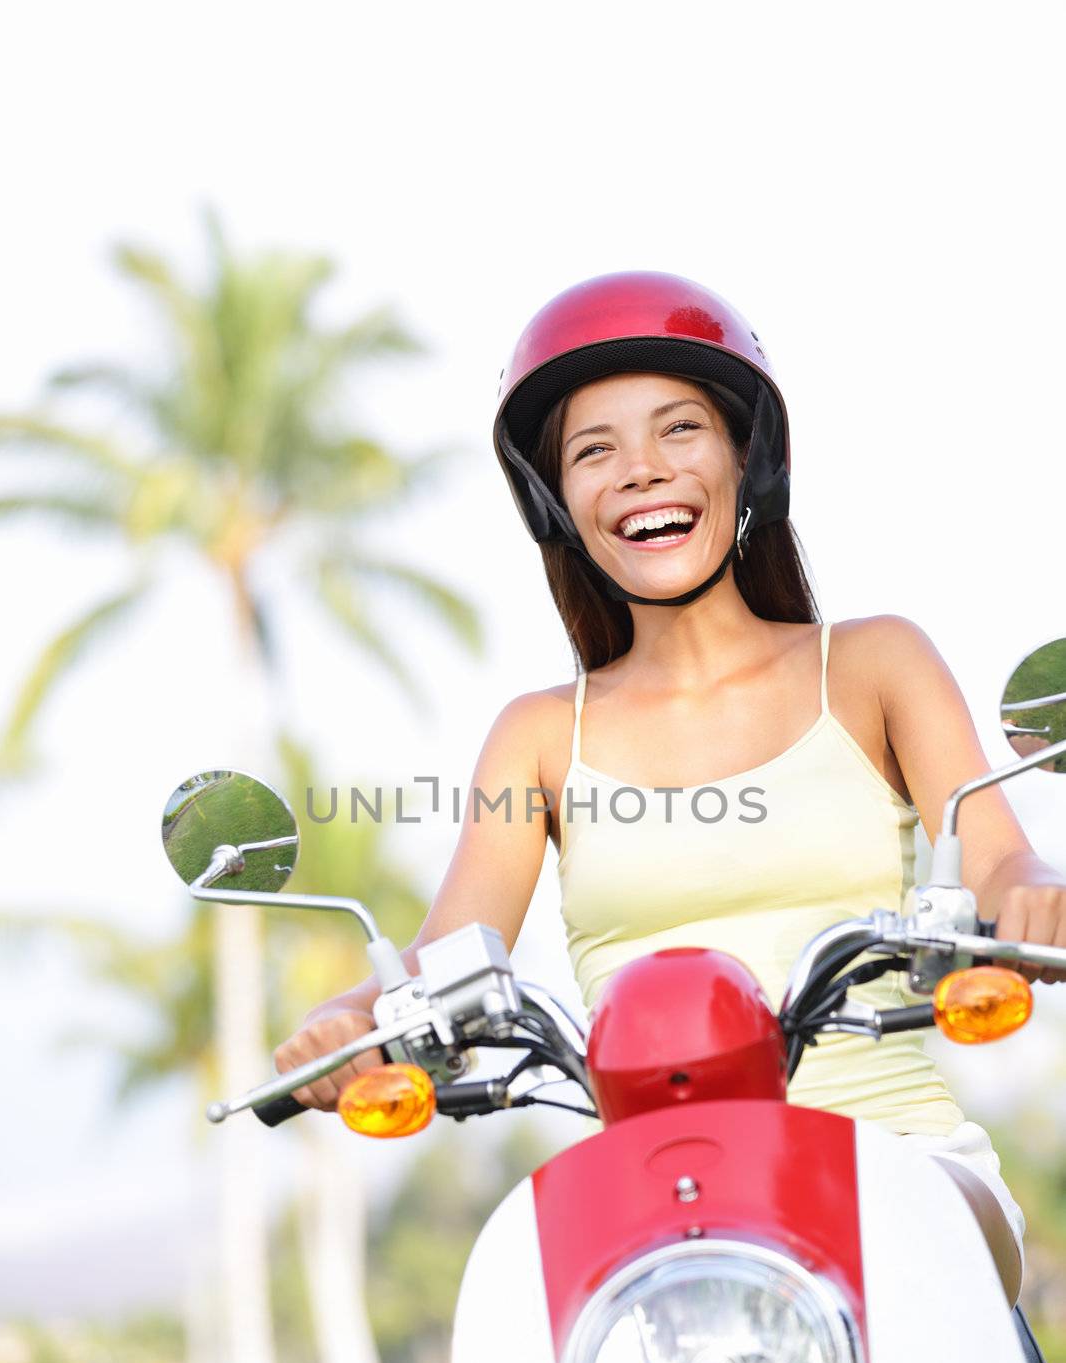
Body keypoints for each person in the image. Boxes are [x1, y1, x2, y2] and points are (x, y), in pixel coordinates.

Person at [275, 271, 1066, 1308]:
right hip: (659, 1217)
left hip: (902, 1162)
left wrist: (1032, 885)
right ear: (557, 501)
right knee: (515, 1321)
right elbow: (448, 953)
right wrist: (348, 1016)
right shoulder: (537, 736)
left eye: (678, 429)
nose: (640, 471)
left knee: (913, 1255)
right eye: (593, 450)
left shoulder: (875, 664)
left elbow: (997, 846)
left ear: (747, 459)